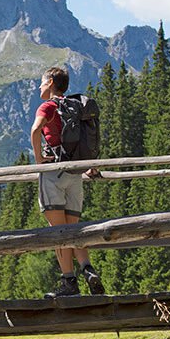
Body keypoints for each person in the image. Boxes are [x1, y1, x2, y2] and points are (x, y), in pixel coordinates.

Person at [30, 66, 105, 298]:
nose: (39, 87)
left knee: (59, 232)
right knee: (74, 230)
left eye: (42, 83)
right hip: (76, 174)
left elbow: (35, 130)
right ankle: (88, 269)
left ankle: (69, 283)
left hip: (54, 173)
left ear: (51, 82)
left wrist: (39, 159)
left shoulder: (48, 106)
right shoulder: (76, 105)